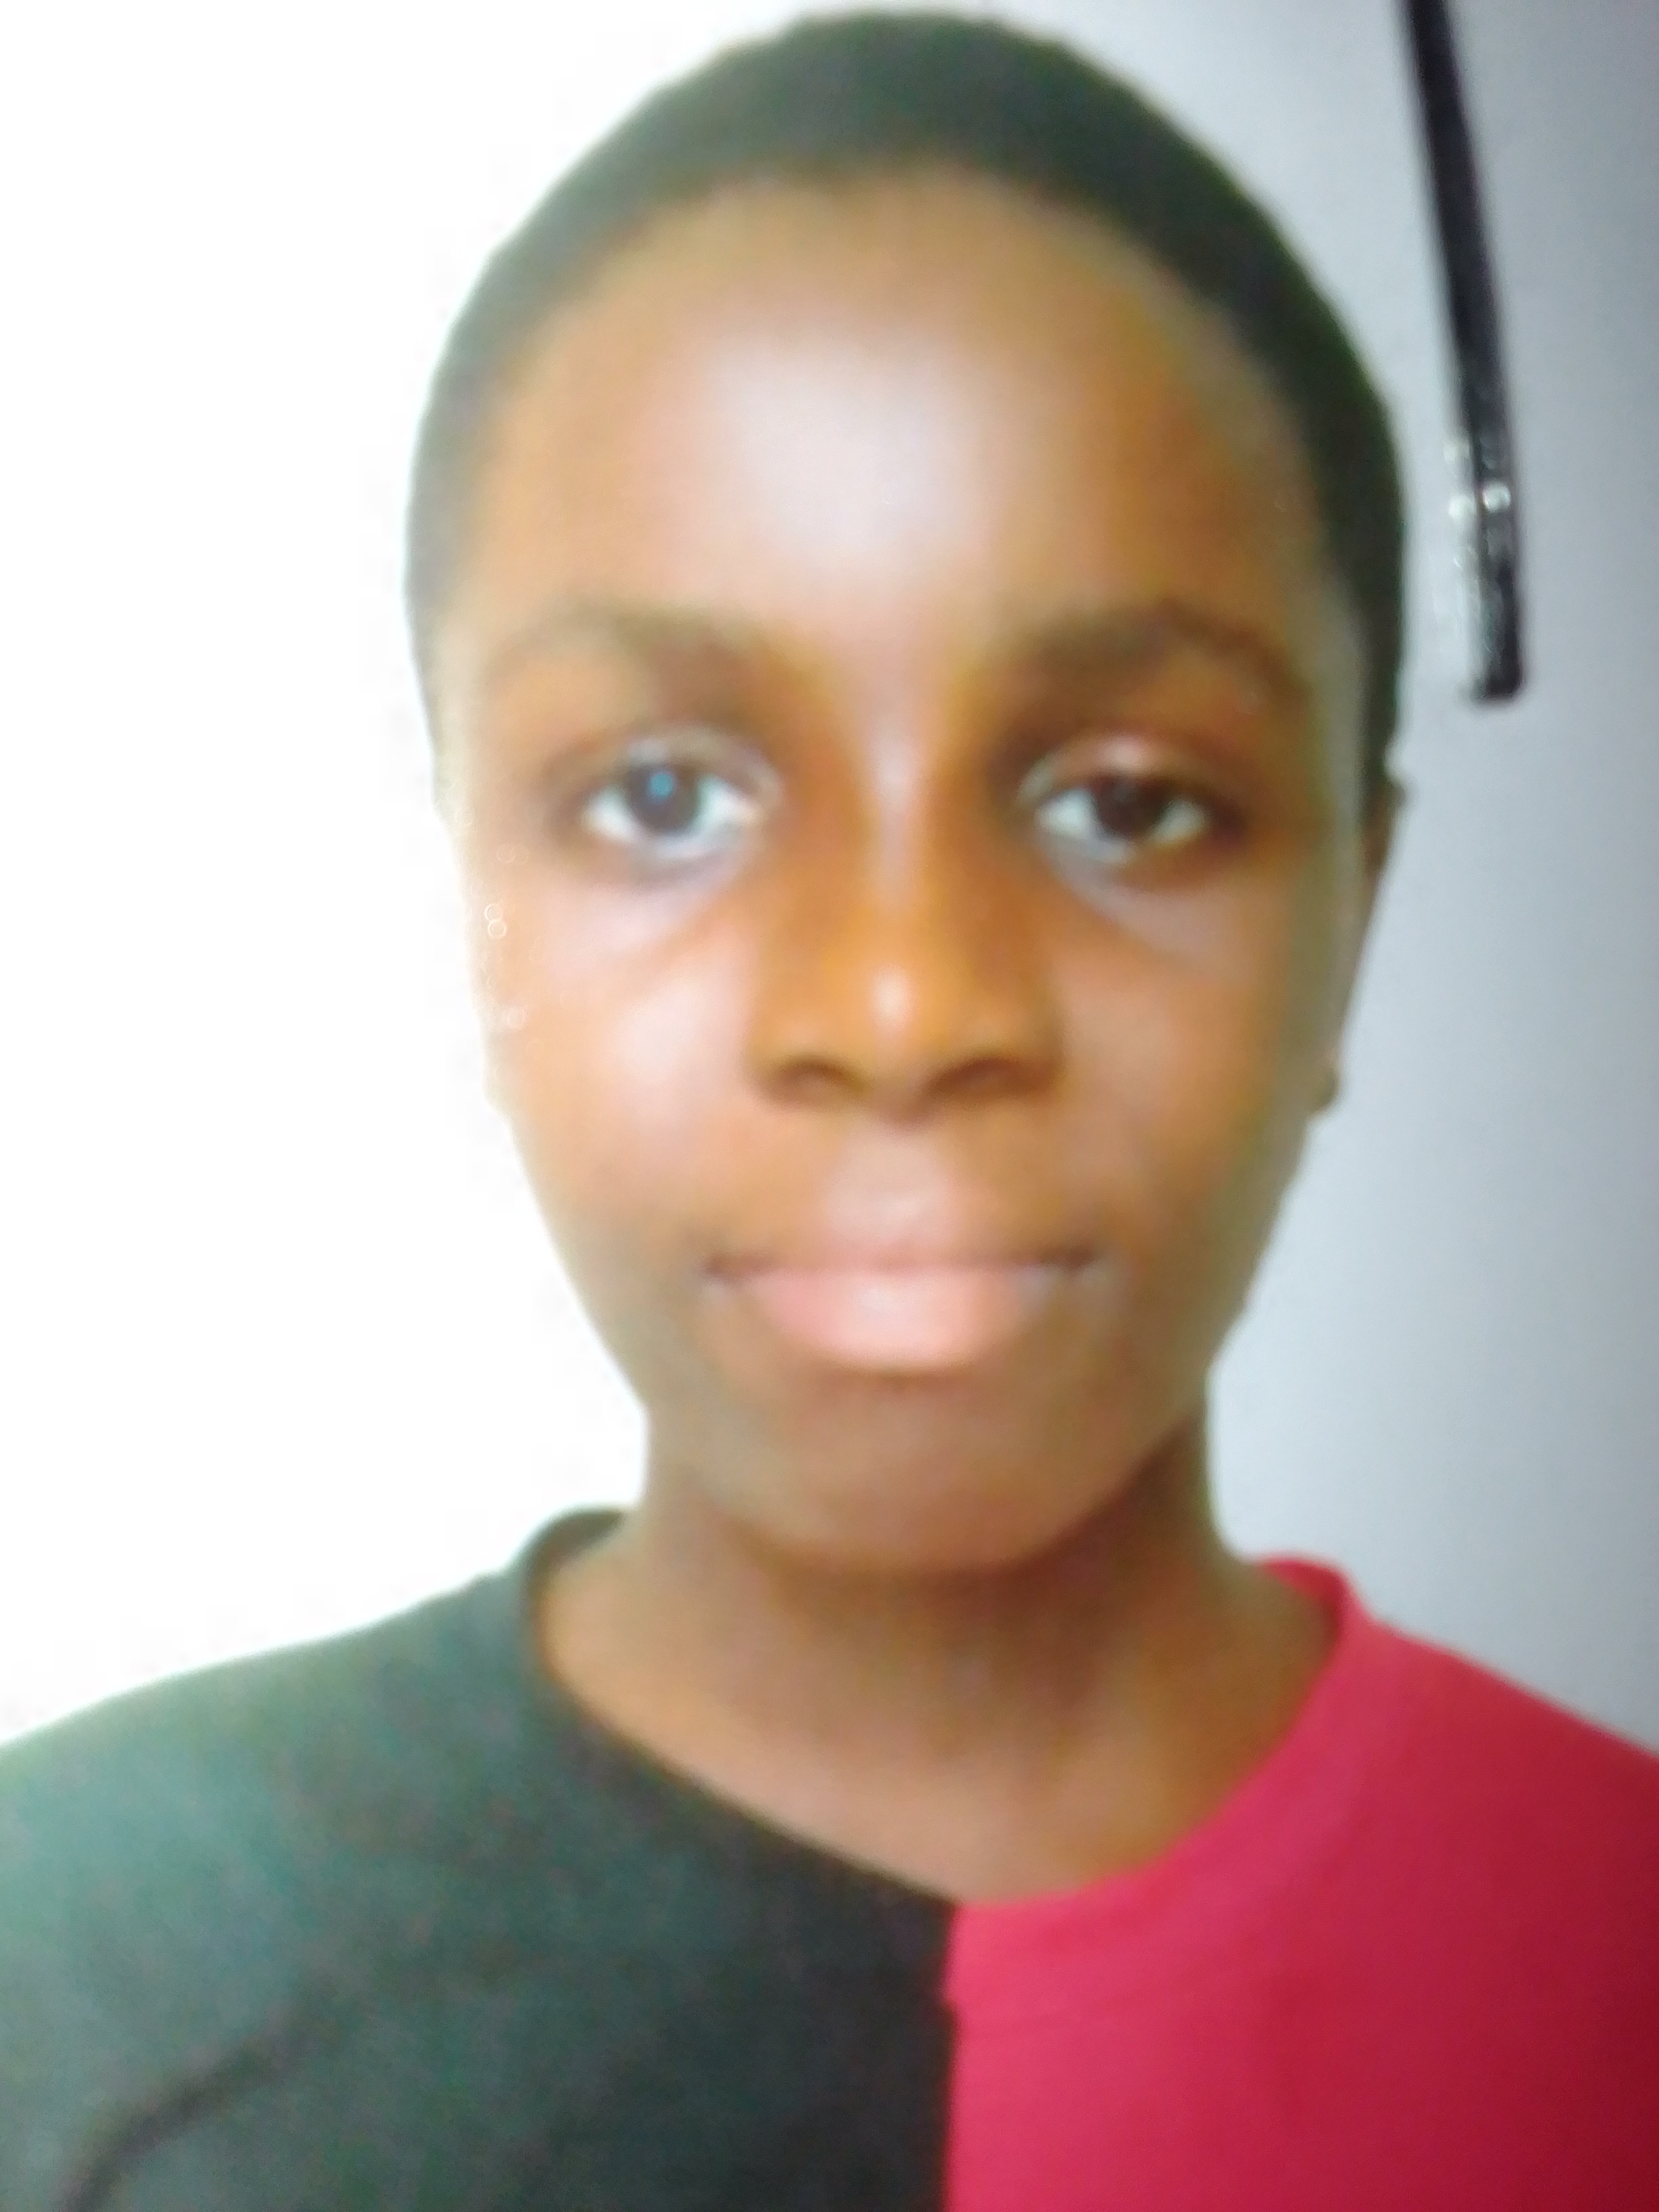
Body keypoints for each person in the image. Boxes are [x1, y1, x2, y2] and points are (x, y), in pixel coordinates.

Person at [3, 13, 1656, 2207]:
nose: (901, 1006)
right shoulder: (72, 1976)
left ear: (1352, 916)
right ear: (473, 897)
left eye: (1128, 804)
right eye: (661, 798)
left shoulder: (1610, 1980)